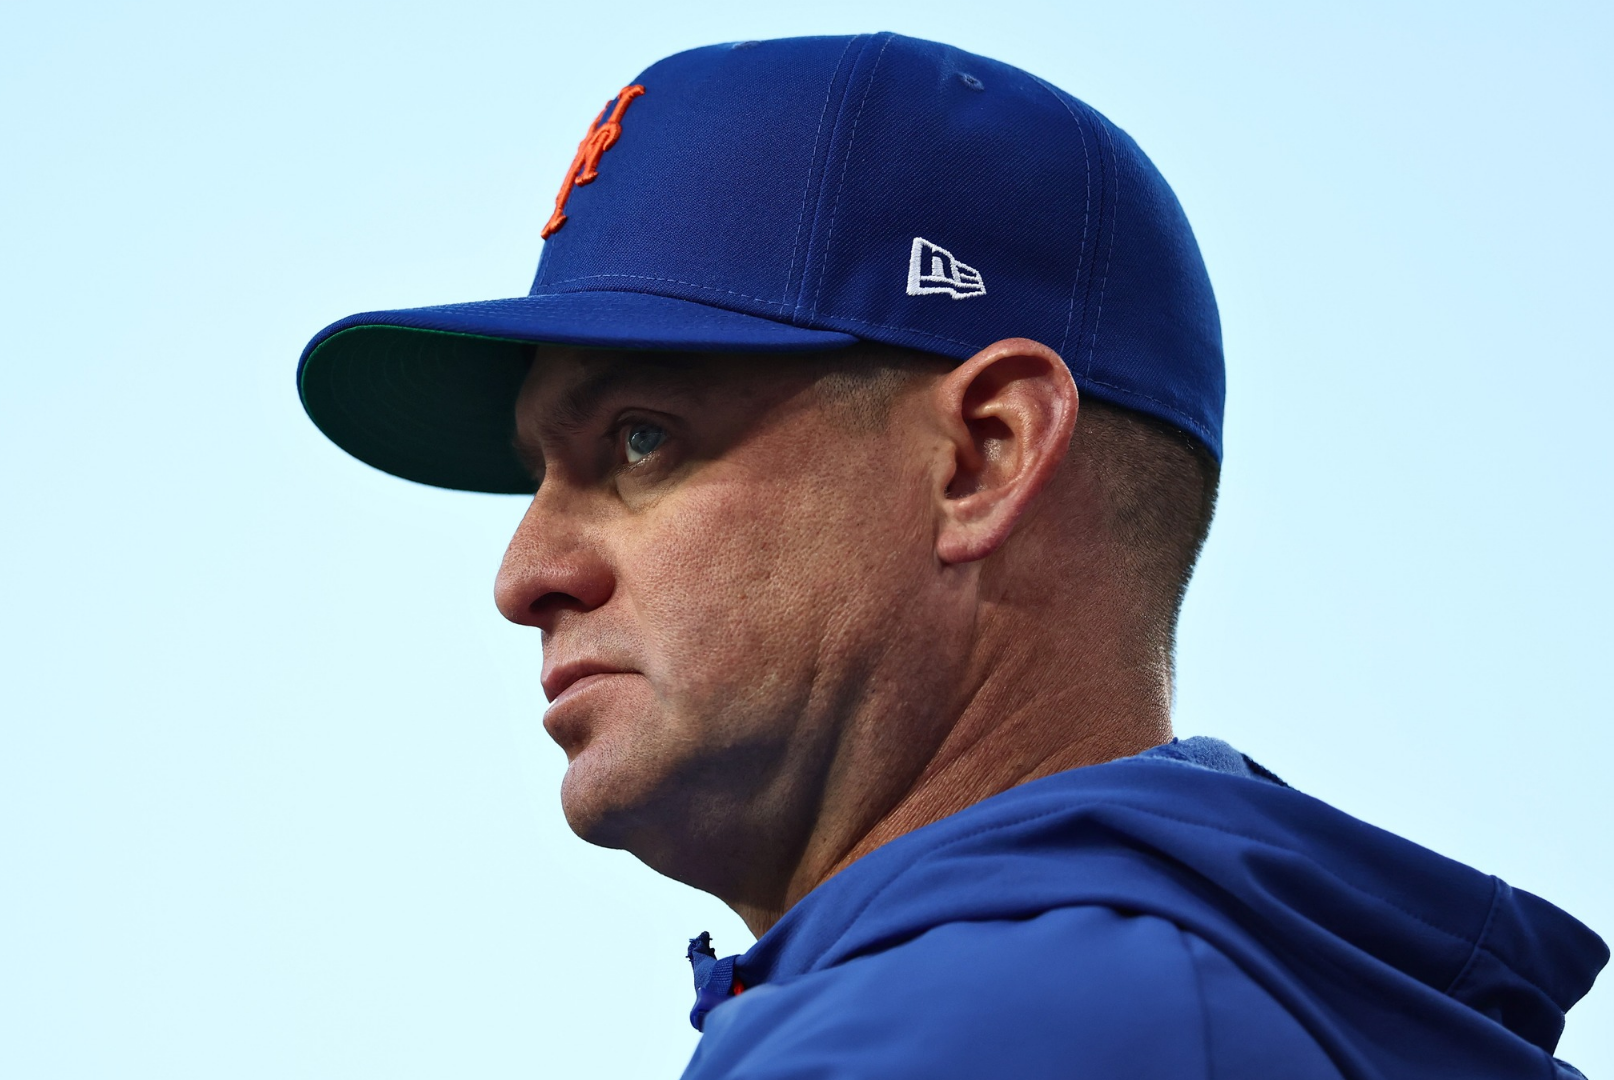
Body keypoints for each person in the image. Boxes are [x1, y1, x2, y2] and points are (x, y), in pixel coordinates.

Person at [294, 33, 1604, 1080]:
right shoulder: (1243, 995)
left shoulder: (985, 1029)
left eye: (641, 440)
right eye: (539, 473)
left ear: (984, 456)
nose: (527, 571)